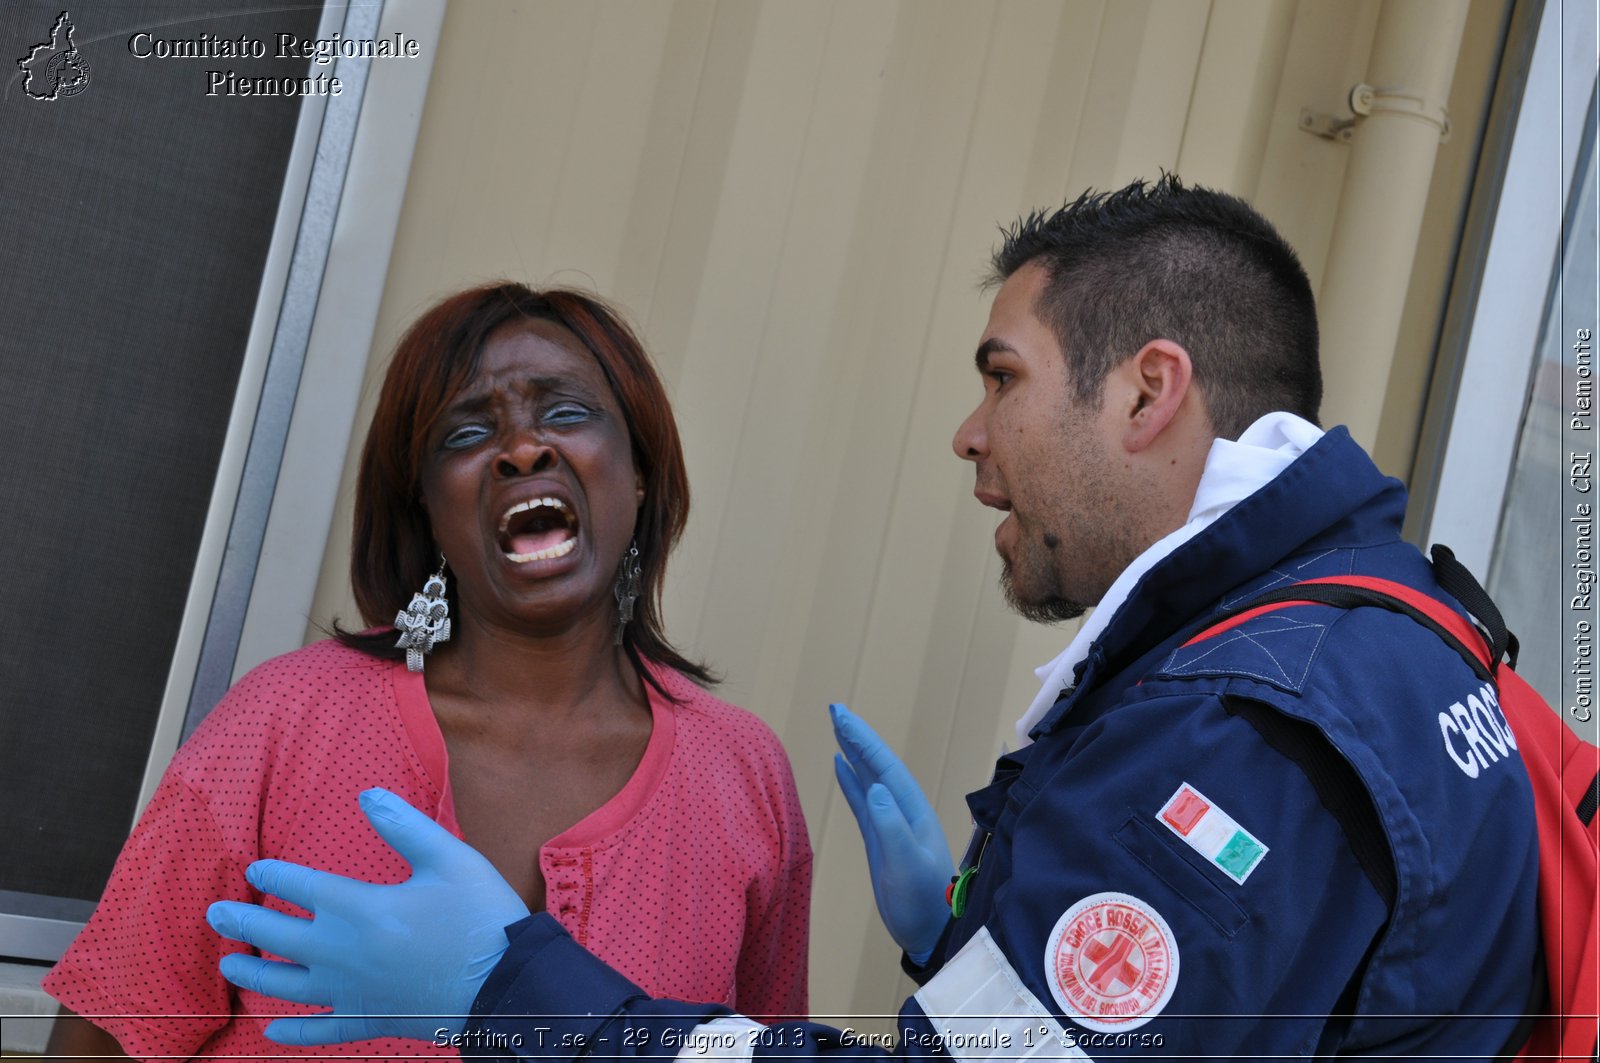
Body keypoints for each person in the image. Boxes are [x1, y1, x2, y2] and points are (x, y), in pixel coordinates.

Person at [205, 177, 1541, 1057]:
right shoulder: (1383, 638)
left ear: (1149, 392)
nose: (970, 434)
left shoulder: (1247, 724)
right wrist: (964, 936)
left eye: (1003, 377)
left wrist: (514, 988)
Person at [43, 284, 812, 1060]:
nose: (523, 449)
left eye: (567, 413)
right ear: (427, 510)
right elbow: (107, 1035)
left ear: (639, 472)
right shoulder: (285, 720)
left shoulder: (743, 775)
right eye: (468, 431)